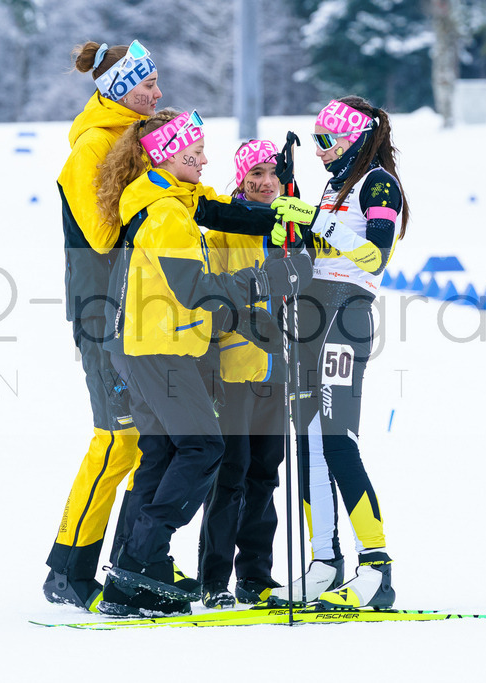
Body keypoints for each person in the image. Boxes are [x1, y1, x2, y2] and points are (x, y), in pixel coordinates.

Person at [94, 110, 312, 616]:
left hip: (148, 347)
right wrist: (261, 283)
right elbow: (194, 290)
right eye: (194, 156)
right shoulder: (166, 212)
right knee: (202, 447)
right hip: (156, 348)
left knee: (164, 455)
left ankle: (134, 579)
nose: (205, 160)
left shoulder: (176, 198)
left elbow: (229, 211)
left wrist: (285, 216)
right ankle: (143, 560)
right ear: (167, 156)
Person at [269, 96, 408, 609]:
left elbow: (374, 253)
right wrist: (291, 211)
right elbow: (315, 250)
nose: (321, 152)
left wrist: (315, 220)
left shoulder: (378, 184)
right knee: (307, 442)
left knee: (338, 439)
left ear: (355, 138)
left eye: (327, 142)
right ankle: (324, 562)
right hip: (311, 314)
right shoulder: (332, 185)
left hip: (348, 315)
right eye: (317, 143)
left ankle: (377, 567)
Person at [42, 39, 161, 612]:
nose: (157, 94)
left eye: (157, 84)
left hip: (136, 312)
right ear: (118, 90)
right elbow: (105, 234)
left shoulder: (135, 138)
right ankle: (68, 570)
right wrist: (159, 199)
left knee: (140, 445)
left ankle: (127, 567)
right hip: (99, 312)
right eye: (146, 87)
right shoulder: (92, 146)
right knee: (117, 440)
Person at [197, 140, 288, 608]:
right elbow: (209, 296)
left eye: (272, 173)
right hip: (233, 370)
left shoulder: (287, 225)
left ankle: (256, 575)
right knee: (228, 477)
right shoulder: (224, 229)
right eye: (255, 175)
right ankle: (213, 580)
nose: (265, 183)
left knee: (265, 477)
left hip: (277, 371)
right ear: (240, 179)